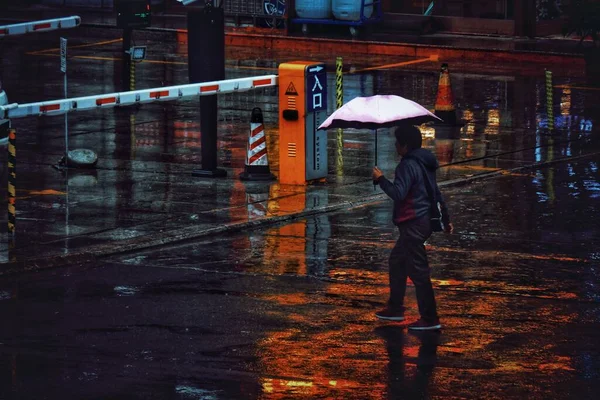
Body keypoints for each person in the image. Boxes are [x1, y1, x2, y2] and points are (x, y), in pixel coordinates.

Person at [372, 124, 453, 331]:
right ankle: (395, 307)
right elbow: (435, 191)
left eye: (397, 142)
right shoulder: (424, 161)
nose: (395, 146)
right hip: (422, 221)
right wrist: (445, 216)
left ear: (405, 145)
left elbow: (399, 193)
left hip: (413, 222)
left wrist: (380, 180)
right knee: (397, 261)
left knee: (418, 271)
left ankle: (429, 318)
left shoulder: (407, 165)